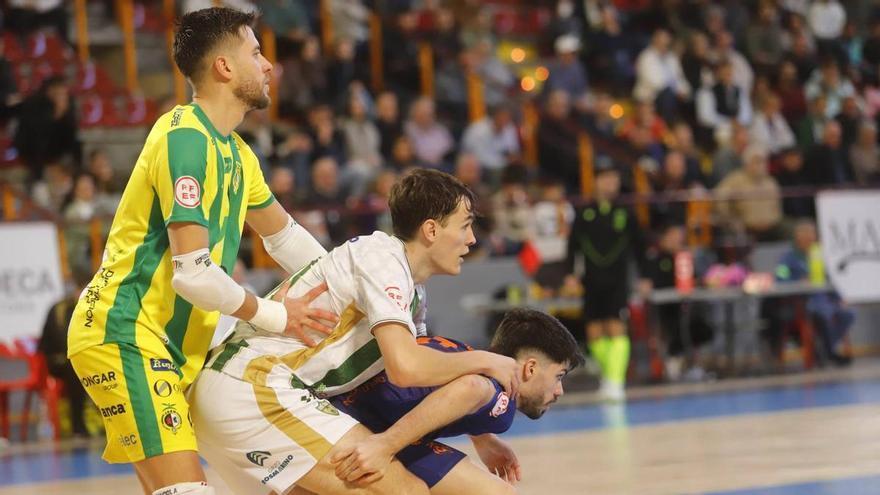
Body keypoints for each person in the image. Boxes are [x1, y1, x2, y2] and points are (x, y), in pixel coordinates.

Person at [65, 8, 336, 495]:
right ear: (225, 68)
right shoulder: (184, 138)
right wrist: (278, 315)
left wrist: (351, 282)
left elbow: (284, 238)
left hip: (174, 347)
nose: (269, 64)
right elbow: (193, 275)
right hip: (125, 330)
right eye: (256, 52)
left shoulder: (236, 152)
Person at [190, 169, 521, 494]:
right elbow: (406, 368)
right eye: (465, 226)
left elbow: (422, 375)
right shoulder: (383, 261)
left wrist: (482, 437)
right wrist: (486, 360)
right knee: (403, 491)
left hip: (244, 393)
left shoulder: (411, 288)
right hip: (254, 387)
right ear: (431, 230)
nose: (472, 238)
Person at [330, 308, 584, 489]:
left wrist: (482, 438)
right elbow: (471, 388)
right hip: (347, 422)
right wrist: (385, 445)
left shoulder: (465, 352)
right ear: (530, 369)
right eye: (558, 376)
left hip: (353, 411)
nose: (559, 390)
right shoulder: (499, 397)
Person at [565, 157, 647, 401]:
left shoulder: (626, 213)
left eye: (614, 178)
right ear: (596, 181)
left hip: (617, 279)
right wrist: (570, 274)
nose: (610, 183)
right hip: (591, 279)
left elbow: (640, 247)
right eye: (605, 178)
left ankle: (616, 382)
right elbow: (573, 246)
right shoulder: (584, 212)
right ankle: (608, 376)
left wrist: (644, 276)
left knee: (615, 327)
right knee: (594, 332)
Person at [38, 268, 95, 438]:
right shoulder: (60, 309)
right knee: (74, 367)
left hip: (84, 358)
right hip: (57, 361)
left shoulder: (93, 307)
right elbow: (62, 341)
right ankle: (78, 426)